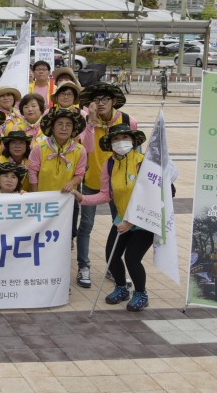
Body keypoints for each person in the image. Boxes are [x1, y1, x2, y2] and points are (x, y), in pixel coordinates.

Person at [74, 123, 153, 312]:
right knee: (112, 255)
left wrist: (131, 222)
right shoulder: (109, 164)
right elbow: (105, 195)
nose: (120, 142)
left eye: (125, 138)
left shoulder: (144, 163)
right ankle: (121, 288)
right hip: (122, 218)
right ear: (110, 145)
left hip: (144, 220)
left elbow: (151, 197)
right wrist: (82, 198)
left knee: (132, 258)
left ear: (133, 141)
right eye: (116, 139)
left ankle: (141, 293)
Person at [78, 82, 138, 290]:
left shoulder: (128, 121)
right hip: (91, 180)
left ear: (113, 101)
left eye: (105, 99)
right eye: (96, 100)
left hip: (120, 184)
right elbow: (85, 149)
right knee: (85, 226)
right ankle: (83, 266)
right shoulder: (85, 121)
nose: (100, 103)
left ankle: (115, 268)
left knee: (119, 226)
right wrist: (90, 123)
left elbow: (135, 154)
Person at [29, 107, 87, 282]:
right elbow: (33, 172)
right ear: (52, 127)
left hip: (66, 204)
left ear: (73, 129)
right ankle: (39, 274)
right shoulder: (40, 147)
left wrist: (72, 183)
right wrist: (36, 196)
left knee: (64, 241)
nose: (63, 128)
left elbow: (79, 174)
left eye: (68, 125)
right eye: (59, 124)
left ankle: (60, 278)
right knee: (40, 239)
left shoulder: (79, 150)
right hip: (43, 203)